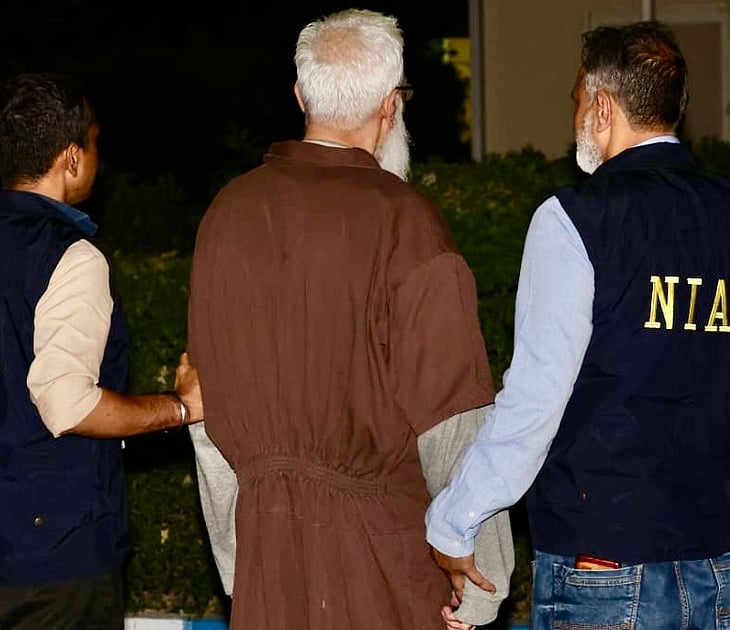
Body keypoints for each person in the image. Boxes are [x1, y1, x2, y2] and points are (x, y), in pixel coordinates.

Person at [427, 21, 730, 630]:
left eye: (576, 102)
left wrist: (454, 519)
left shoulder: (573, 219)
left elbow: (536, 398)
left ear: (602, 108)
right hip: (716, 559)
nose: (573, 119)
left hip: (601, 560)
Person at [186, 9, 511, 629]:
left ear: (300, 95)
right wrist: (481, 579)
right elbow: (453, 416)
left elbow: (207, 415)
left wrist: (238, 561)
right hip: (385, 569)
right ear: (391, 105)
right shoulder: (407, 223)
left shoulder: (226, 215)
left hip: (269, 565)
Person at [0, 72, 204, 630]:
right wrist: (180, 407)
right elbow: (68, 403)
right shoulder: (73, 258)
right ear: (72, 158)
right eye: (95, 140)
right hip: (55, 567)